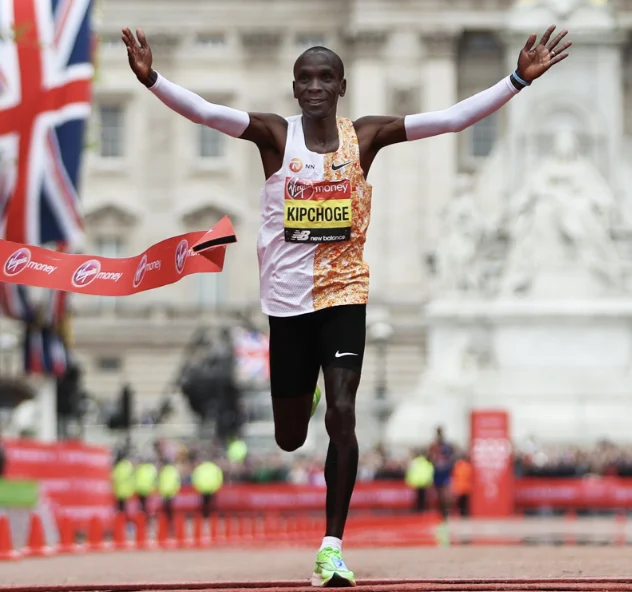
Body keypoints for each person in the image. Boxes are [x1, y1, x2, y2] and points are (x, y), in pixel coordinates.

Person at [122, 24, 571, 587]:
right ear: (294, 88)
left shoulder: (366, 136)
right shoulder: (274, 136)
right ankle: (303, 394)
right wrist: (153, 80)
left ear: (341, 86)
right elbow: (207, 113)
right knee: (290, 436)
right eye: (305, 79)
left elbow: (451, 119)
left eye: (325, 78)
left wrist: (515, 81)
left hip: (344, 295)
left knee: (343, 413)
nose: (314, 87)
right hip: (287, 303)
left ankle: (331, 546)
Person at [428, 426, 455, 522]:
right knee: (441, 493)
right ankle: (443, 512)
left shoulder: (446, 446)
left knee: (444, 493)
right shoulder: (434, 446)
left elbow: (451, 457)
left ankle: (445, 512)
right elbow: (430, 458)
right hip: (439, 471)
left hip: (444, 471)